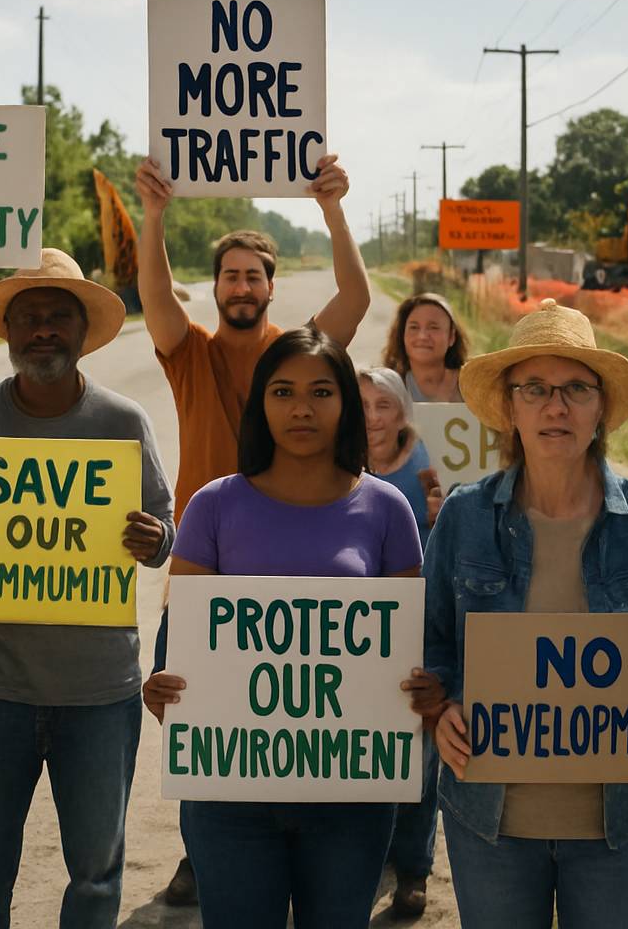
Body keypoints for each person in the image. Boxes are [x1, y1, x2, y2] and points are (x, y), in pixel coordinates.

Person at [424, 300, 628, 929]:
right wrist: (442, 704)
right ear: (511, 406)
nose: (556, 407)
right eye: (536, 388)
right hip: (489, 816)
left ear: (601, 407)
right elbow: (430, 642)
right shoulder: (464, 518)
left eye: (576, 388)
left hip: (625, 820)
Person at [141, 327, 440, 929]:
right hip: (229, 797)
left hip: (353, 799)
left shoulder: (388, 510)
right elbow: (184, 639)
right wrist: (164, 688)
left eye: (321, 392)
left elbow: (409, 645)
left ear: (345, 405)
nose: (301, 407)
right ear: (261, 405)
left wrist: (426, 690)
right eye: (282, 391)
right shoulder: (213, 505)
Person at [134, 151, 371, 903]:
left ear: (271, 285)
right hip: (206, 566)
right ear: (215, 287)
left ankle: (308, 843)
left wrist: (331, 208)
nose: (241, 286)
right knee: (203, 716)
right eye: (229, 275)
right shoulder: (190, 354)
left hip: (294, 559)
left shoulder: (295, 355)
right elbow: (151, 296)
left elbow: (357, 299)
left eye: (253, 275)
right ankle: (204, 850)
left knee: (296, 707)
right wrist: (154, 214)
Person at [0, 248, 175, 929]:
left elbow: (167, 529)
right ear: (7, 334)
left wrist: (156, 540)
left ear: (80, 330)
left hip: (101, 694)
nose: (42, 330)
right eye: (28, 318)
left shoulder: (124, 423)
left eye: (57, 317)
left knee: (96, 874)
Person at [358, 365, 441, 917]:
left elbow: (441, 548)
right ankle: (367, 861)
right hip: (357, 635)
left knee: (418, 752)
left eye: (382, 405)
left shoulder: (424, 464)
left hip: (415, 623)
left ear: (401, 412)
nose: (372, 418)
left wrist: (439, 514)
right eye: (361, 405)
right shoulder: (336, 464)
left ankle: (412, 869)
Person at [382, 292, 469, 403]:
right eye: (414, 327)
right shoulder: (386, 389)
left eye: (433, 327)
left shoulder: (473, 387)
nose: (422, 336)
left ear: (451, 337)